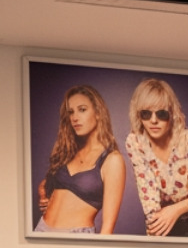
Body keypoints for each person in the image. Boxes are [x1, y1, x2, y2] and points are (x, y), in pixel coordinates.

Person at [124, 78, 188, 238]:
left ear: (172, 113)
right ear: (138, 115)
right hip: (158, 226)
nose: (153, 120)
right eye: (146, 113)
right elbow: (147, 189)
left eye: (161, 113)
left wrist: (178, 209)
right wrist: (155, 229)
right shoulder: (136, 142)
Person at [35, 84, 126, 235]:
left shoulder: (112, 159)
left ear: (98, 113)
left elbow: (108, 227)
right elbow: (47, 183)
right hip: (41, 229)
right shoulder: (68, 151)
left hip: (76, 237)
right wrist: (43, 195)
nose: (75, 118)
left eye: (82, 110)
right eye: (71, 112)